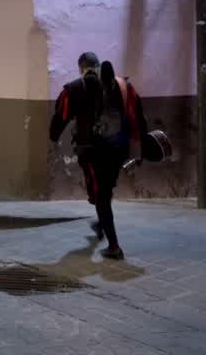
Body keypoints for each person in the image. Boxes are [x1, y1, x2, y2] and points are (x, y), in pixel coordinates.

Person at [50, 52, 146, 260]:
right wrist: (140, 149)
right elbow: (137, 114)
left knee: (100, 196)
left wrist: (54, 136)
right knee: (105, 190)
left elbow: (60, 116)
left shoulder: (75, 88)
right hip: (119, 149)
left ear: (81, 68)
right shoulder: (124, 86)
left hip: (93, 151)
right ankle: (102, 224)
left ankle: (114, 246)